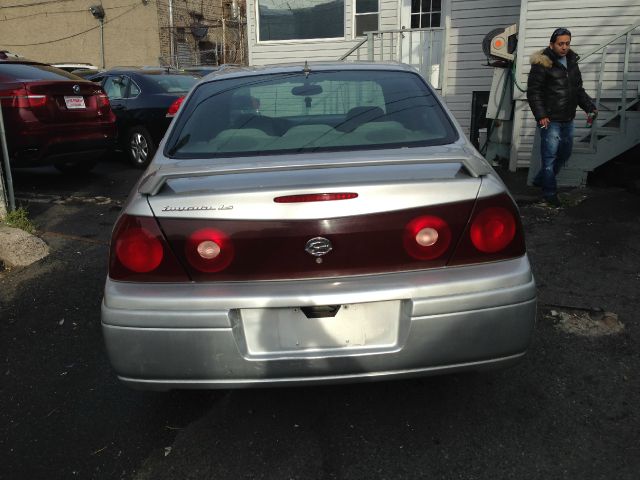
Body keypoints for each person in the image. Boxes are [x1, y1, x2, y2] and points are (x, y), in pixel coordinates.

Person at [527, 27, 597, 206]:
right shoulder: (542, 62)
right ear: (552, 44)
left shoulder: (572, 61)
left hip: (568, 118)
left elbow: (577, 89)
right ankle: (549, 194)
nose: (564, 47)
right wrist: (541, 115)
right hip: (550, 120)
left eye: (567, 43)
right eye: (560, 44)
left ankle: (540, 180)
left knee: (564, 154)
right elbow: (533, 92)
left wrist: (589, 106)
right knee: (549, 157)